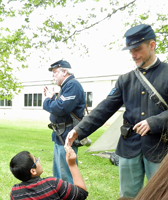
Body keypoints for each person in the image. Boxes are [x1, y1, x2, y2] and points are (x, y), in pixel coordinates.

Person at [65, 24, 168, 198]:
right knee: (126, 195)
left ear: (152, 45)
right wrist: (78, 130)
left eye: (137, 49)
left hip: (160, 149)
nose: (133, 55)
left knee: (160, 195)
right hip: (129, 148)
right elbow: (105, 108)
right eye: (130, 51)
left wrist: (155, 122)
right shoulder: (126, 79)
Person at [43, 60, 86, 184]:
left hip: (67, 134)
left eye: (55, 72)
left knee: (66, 173)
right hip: (60, 133)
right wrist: (53, 98)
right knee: (58, 171)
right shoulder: (66, 86)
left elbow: (61, 108)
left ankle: (70, 195)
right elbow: (61, 105)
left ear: (65, 72)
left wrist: (47, 100)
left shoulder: (72, 85)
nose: (53, 76)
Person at [10, 147, 88, 199]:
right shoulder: (52, 184)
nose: (39, 161)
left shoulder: (15, 193)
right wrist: (72, 164)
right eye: (36, 160)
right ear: (33, 171)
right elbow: (82, 194)